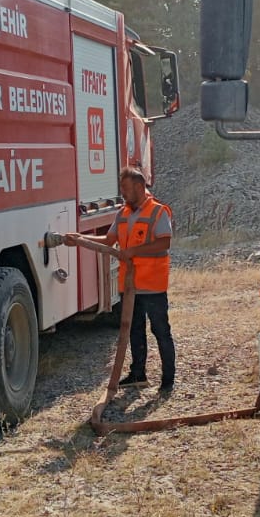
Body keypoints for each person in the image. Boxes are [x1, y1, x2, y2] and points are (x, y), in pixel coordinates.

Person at [103, 166, 176, 391]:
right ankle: (138, 374)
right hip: (131, 286)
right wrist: (77, 238)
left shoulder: (158, 211)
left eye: (125, 188)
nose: (122, 192)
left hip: (152, 285)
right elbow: (108, 240)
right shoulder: (123, 213)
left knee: (160, 330)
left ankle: (167, 380)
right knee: (134, 329)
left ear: (138, 186)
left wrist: (134, 251)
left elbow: (164, 242)